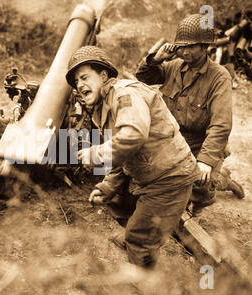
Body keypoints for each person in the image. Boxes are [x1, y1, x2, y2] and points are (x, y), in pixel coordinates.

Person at [65, 46, 201, 268]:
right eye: (76, 82)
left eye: (84, 77)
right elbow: (122, 156)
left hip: (170, 177)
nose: (79, 85)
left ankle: (147, 273)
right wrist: (108, 186)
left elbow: (133, 136)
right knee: (116, 200)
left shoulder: (124, 94)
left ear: (103, 75)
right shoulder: (103, 106)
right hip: (151, 174)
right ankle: (143, 229)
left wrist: (96, 153)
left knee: (138, 241)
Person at [136, 14, 244, 214]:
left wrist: (205, 161)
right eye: (181, 46)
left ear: (204, 47)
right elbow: (142, 78)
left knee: (201, 181)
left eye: (190, 47)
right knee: (145, 172)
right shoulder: (174, 66)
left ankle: (217, 183)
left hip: (200, 143)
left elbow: (221, 125)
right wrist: (156, 59)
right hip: (172, 138)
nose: (184, 52)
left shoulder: (219, 77)